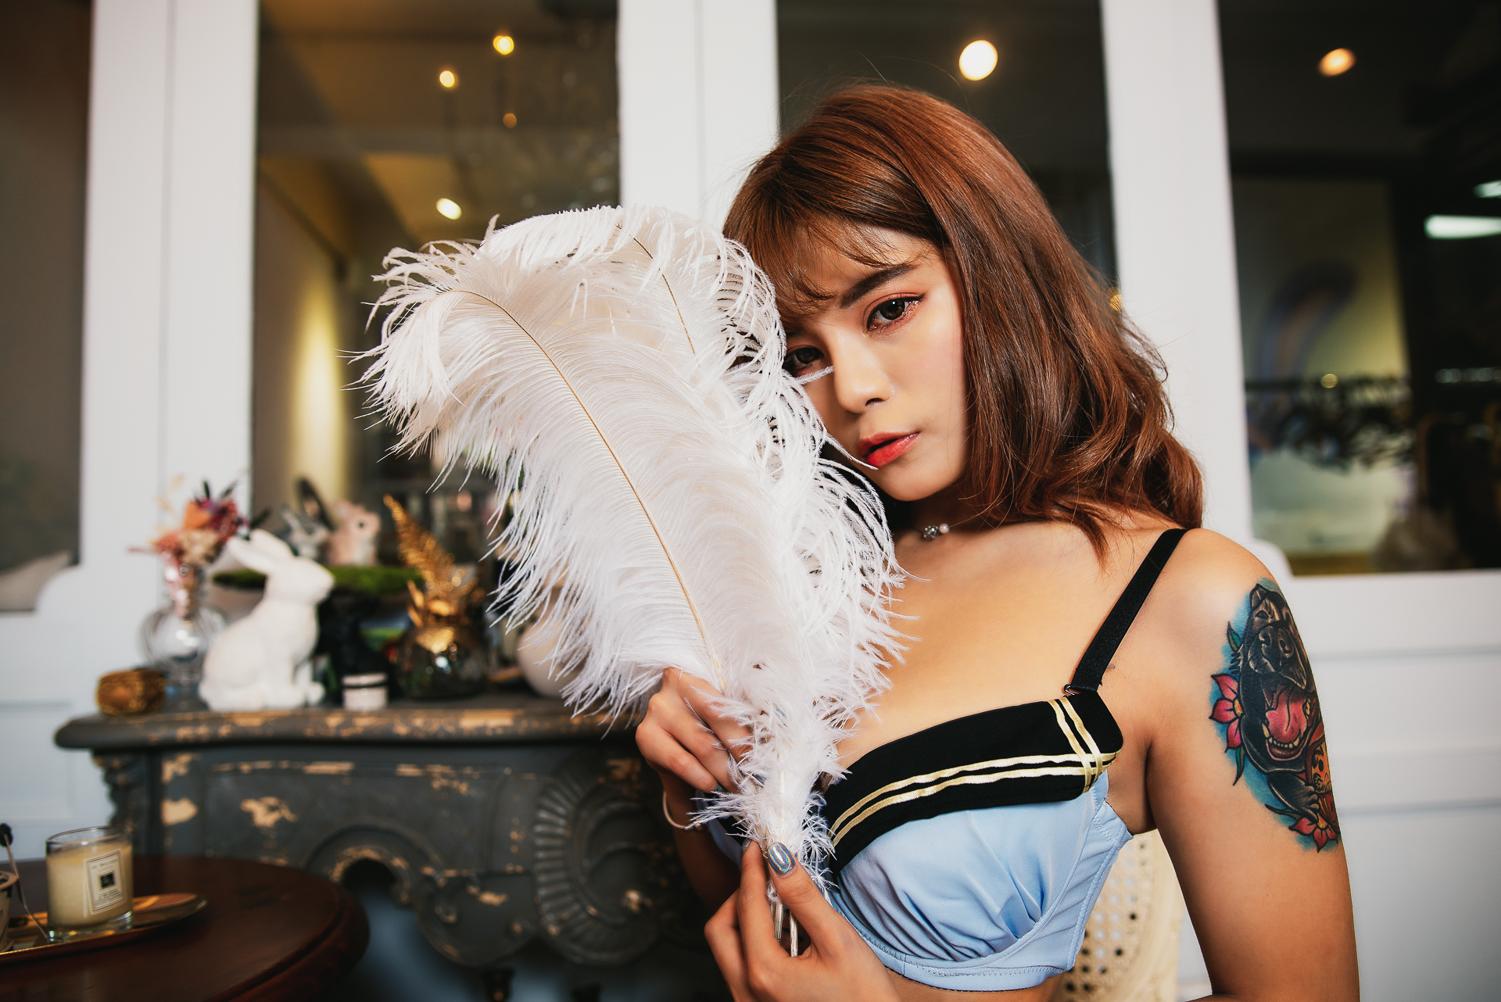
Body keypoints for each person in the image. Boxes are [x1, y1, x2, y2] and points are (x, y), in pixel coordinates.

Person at [634, 84, 1359, 1002]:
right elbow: (747, 916)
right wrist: (688, 779)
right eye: (802, 355)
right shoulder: (801, 585)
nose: (850, 389)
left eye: (888, 309)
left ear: (997, 274)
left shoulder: (1191, 598)